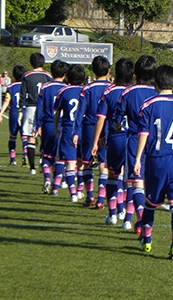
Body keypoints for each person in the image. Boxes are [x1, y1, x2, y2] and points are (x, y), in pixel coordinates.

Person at [134, 65, 173, 260]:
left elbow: (143, 134)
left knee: (150, 203)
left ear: (156, 81)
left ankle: (147, 240)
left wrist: (137, 159)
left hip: (156, 160)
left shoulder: (148, 104)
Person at [113, 55, 158, 233]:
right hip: (155, 143)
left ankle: (140, 221)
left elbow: (117, 119)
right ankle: (143, 221)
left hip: (134, 140)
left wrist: (117, 126)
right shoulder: (157, 93)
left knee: (137, 184)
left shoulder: (128, 92)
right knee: (148, 185)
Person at [92, 57, 135, 225]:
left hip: (115, 138)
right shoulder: (135, 91)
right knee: (131, 177)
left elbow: (101, 119)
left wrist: (96, 141)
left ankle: (112, 214)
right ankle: (127, 218)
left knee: (112, 175)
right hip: (132, 138)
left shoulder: (109, 92)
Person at [73, 56, 112, 209]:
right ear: (108, 70)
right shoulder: (112, 88)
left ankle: (89, 196)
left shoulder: (87, 89)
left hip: (89, 127)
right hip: (107, 128)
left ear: (93, 70)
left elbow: (79, 112)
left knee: (86, 162)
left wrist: (76, 132)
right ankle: (101, 199)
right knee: (104, 164)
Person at [34, 60, 69, 195]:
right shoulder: (67, 88)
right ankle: (55, 186)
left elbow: (39, 108)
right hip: (62, 125)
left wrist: (38, 125)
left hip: (47, 124)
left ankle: (47, 179)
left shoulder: (45, 87)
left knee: (46, 155)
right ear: (65, 74)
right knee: (59, 157)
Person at [53, 64, 86, 203]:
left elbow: (57, 112)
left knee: (70, 163)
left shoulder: (63, 91)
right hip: (84, 130)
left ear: (67, 77)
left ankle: (72, 193)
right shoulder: (87, 91)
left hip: (68, 130)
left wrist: (56, 128)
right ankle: (80, 190)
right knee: (82, 162)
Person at [18, 53, 53, 173]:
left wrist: (20, 110)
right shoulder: (48, 76)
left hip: (31, 107)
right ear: (43, 62)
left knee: (30, 137)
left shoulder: (26, 75)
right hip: (45, 109)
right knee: (45, 135)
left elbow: (22, 95)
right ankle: (43, 162)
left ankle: (32, 168)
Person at [0, 66, 27, 166]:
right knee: (25, 137)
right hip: (24, 112)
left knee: (12, 136)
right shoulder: (26, 85)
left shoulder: (11, 86)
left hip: (14, 112)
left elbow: (7, 101)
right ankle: (25, 159)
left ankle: (13, 159)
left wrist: (1, 113)